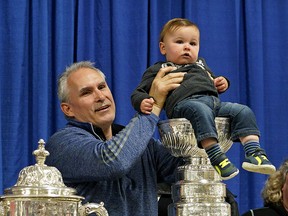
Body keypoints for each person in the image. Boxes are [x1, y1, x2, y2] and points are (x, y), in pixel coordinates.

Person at [131, 18, 276, 180]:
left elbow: (212, 81)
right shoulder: (160, 69)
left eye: (193, 44)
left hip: (213, 103)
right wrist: (142, 101)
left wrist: (222, 83)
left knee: (242, 110)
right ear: (163, 47)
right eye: (179, 42)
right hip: (184, 105)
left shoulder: (200, 64)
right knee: (200, 110)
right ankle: (216, 156)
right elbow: (138, 92)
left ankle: (254, 152)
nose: (187, 47)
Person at [45, 61, 187, 216]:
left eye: (102, 87)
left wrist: (196, 106)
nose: (100, 96)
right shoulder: (62, 144)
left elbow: (186, 170)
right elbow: (113, 161)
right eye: (86, 92)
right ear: (68, 109)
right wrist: (154, 105)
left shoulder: (144, 145)